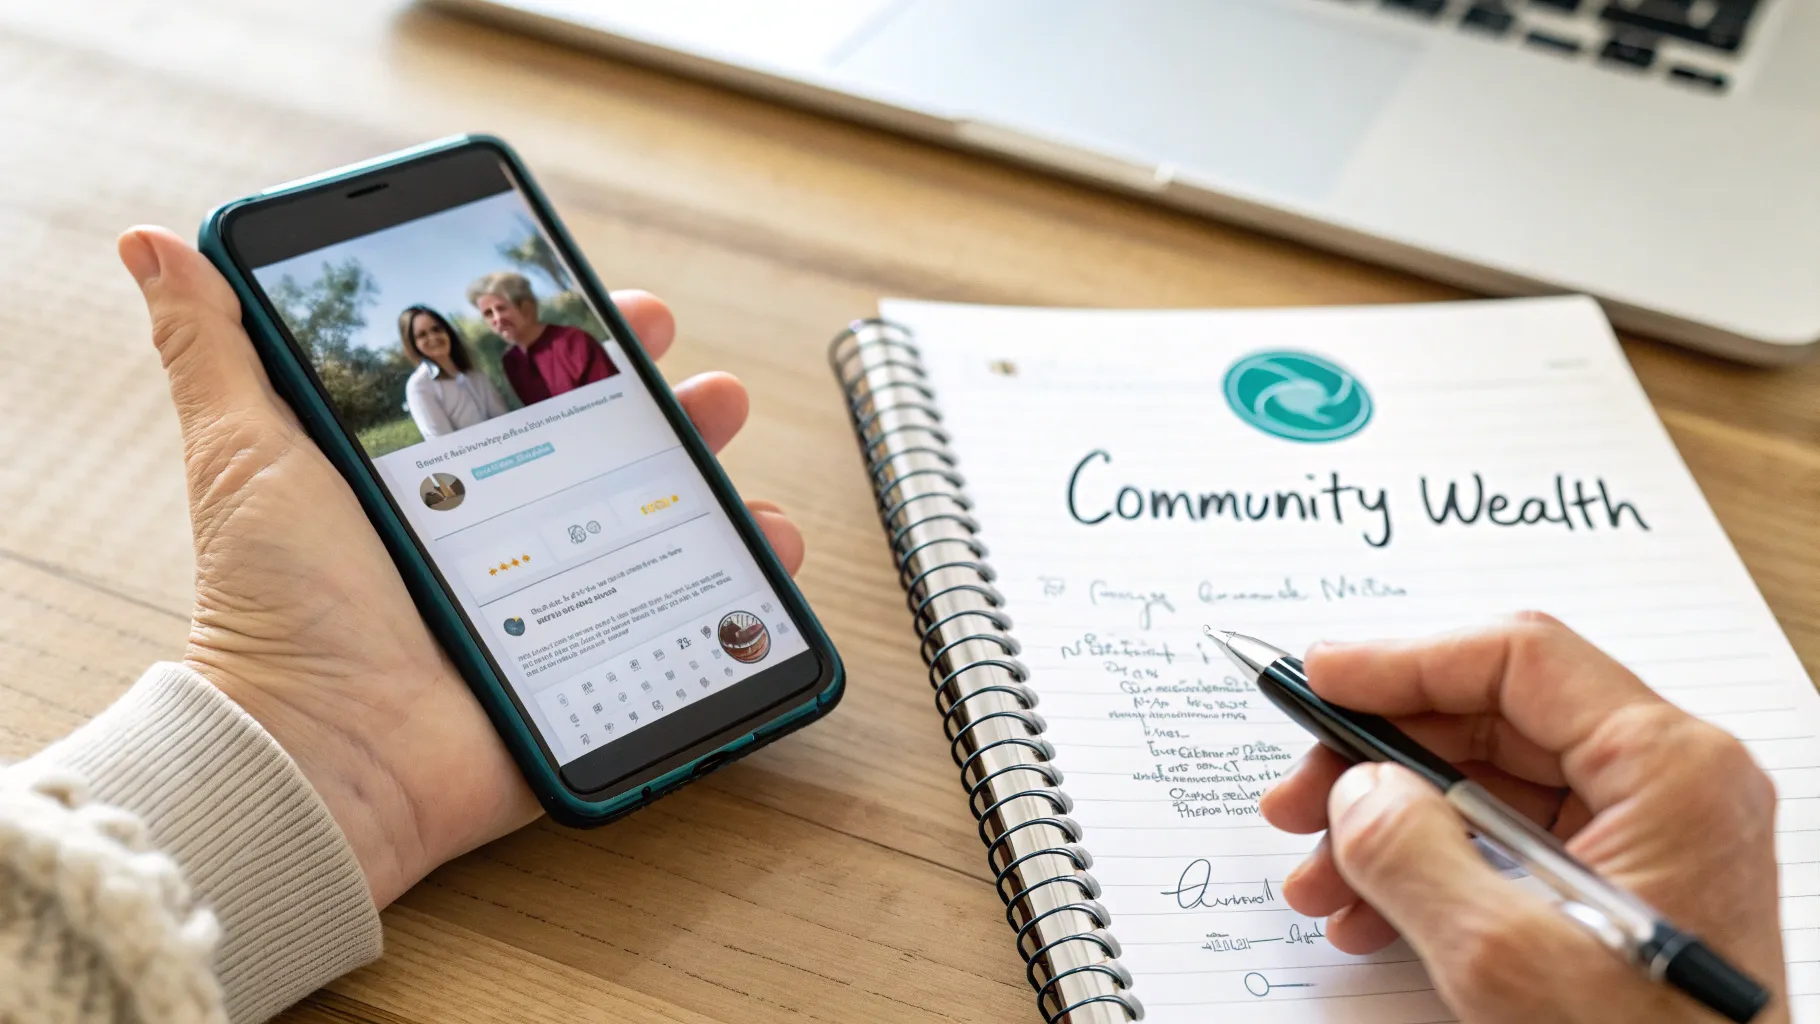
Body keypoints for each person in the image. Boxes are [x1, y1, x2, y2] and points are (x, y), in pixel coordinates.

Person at [0, 226, 1790, 1023]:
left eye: (484, 300)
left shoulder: (534, 355)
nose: (468, 318)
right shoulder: (434, 393)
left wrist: (310, 765)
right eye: (452, 309)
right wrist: (335, 766)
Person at [467, 271, 617, 404]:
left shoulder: (573, 341)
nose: (497, 319)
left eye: (502, 308)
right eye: (488, 313)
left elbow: (611, 396)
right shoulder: (511, 361)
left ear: (527, 306)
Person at [397, 305, 510, 437]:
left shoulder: (475, 374)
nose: (433, 337)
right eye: (422, 335)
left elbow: (503, 419)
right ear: (412, 344)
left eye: (437, 329)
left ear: (447, 331)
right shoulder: (419, 386)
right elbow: (444, 443)